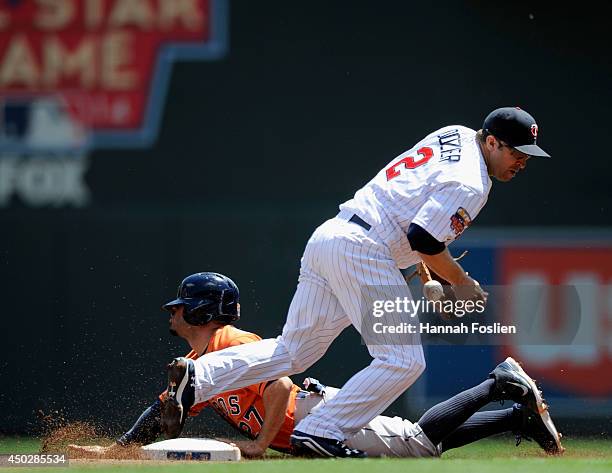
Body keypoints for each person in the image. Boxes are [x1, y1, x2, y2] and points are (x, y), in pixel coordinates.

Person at [162, 107, 552, 457]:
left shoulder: (456, 133)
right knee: (403, 361)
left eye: (527, 155)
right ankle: (321, 430)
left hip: (333, 236)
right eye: (516, 152)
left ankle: (200, 376)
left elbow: (414, 210)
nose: (521, 161)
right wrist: (462, 282)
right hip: (365, 249)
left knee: (294, 349)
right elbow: (424, 239)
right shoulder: (471, 183)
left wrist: (426, 266)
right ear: (491, 141)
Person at [69, 272, 563, 458]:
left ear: (198, 310)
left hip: (314, 417)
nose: (173, 312)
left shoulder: (230, 342)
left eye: (179, 305)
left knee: (417, 444)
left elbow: (280, 385)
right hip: (310, 419)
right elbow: (162, 414)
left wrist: (260, 444)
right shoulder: (198, 362)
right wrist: (114, 451)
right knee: (414, 440)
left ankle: (499, 386)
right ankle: (513, 414)